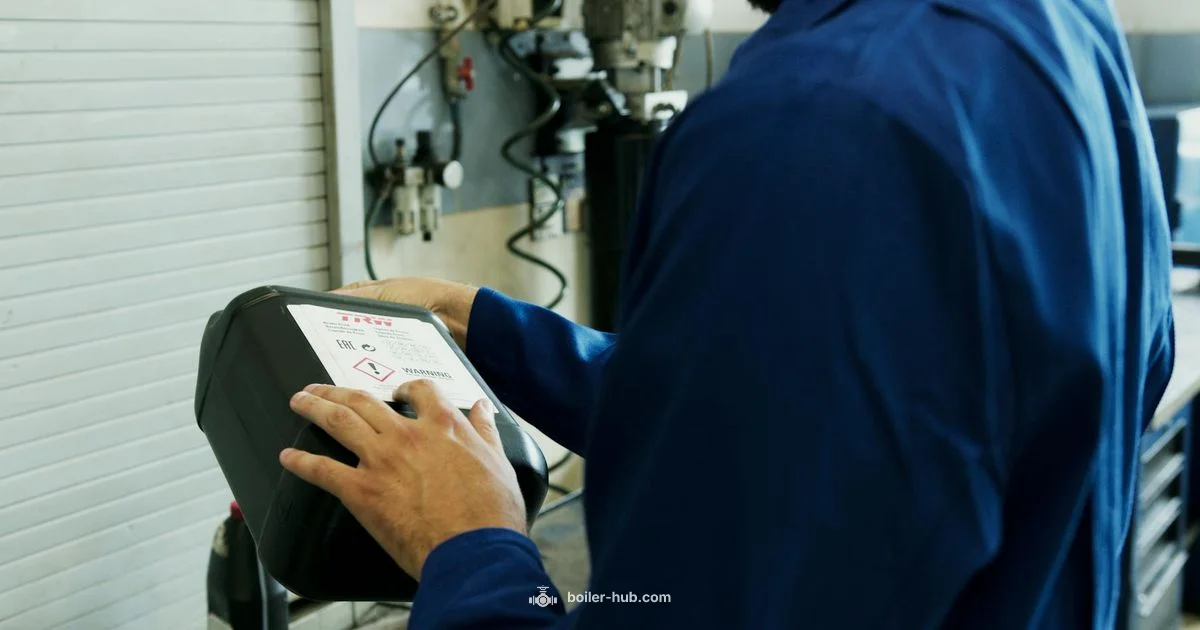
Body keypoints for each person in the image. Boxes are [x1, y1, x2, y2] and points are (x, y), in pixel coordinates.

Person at [278, 0, 1177, 627]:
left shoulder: (822, 119)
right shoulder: (1050, 36)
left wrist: (467, 543)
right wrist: (489, 324)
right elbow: (836, 418)